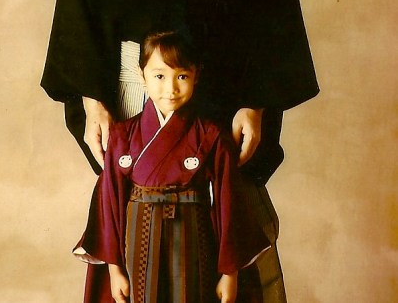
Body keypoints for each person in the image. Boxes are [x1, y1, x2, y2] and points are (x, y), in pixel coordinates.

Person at [41, 0, 319, 301]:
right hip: (134, 99)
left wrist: (255, 103)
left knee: (229, 222)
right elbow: (79, 17)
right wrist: (92, 100)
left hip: (224, 96)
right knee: (131, 232)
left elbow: (273, 12)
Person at [74, 30, 271, 303]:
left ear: (196, 76)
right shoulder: (122, 135)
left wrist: (229, 273)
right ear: (141, 75)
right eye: (159, 76)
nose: (171, 89)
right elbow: (109, 203)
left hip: (193, 240)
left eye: (182, 76)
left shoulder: (212, 136)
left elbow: (229, 204)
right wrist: (114, 268)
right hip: (137, 242)